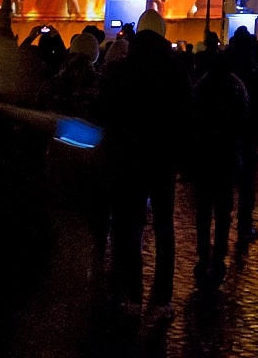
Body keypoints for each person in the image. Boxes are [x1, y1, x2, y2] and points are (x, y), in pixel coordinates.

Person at [98, 16, 192, 308]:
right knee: (164, 228)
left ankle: (130, 292)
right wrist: (181, 158)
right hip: (163, 159)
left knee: (129, 225)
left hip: (129, 157)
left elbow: (109, 114)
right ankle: (162, 297)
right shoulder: (176, 69)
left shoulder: (122, 68)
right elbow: (186, 116)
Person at [186, 45, 248, 291]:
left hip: (205, 156)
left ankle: (204, 252)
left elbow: (192, 120)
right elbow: (244, 119)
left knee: (203, 209)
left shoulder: (201, 87)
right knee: (223, 209)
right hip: (227, 155)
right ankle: (219, 252)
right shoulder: (236, 87)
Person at [224, 27, 258, 242]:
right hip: (248, 134)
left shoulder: (224, 69)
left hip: (224, 133)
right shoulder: (256, 70)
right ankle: (244, 225)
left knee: (224, 184)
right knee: (246, 184)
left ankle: (222, 229)